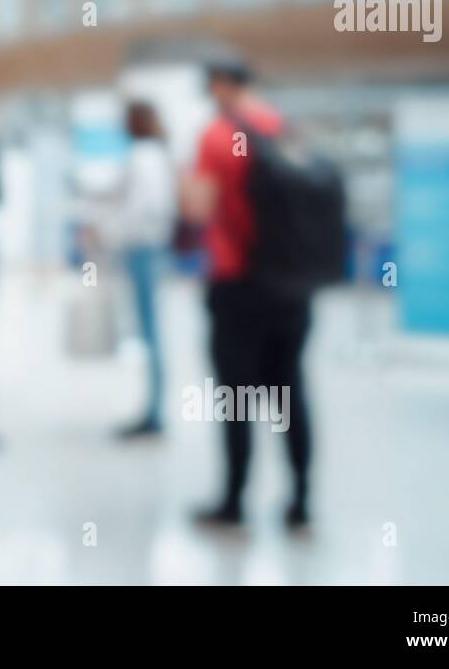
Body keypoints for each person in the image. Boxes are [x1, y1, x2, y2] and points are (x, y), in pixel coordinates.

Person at [183, 59, 313, 530]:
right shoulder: (285, 128)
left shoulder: (217, 135)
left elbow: (198, 209)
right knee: (291, 390)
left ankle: (234, 501)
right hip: (292, 284)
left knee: (237, 397)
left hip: (237, 283)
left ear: (220, 86)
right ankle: (300, 502)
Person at [106, 101, 177, 437]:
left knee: (150, 332)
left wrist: (110, 233)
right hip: (150, 247)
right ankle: (153, 407)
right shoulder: (156, 154)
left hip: (142, 248)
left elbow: (141, 208)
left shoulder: (142, 156)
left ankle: (154, 411)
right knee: (150, 331)